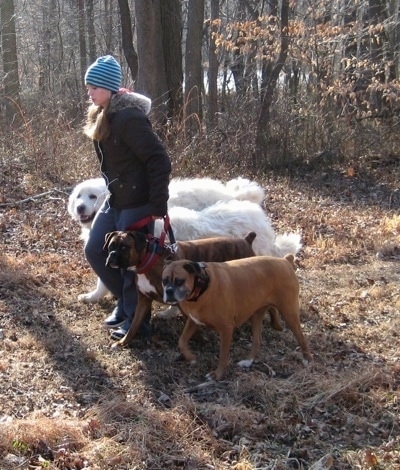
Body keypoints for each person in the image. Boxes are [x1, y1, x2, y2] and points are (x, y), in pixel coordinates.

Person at [83, 55, 171, 341]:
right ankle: (126, 302)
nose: (90, 92)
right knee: (96, 249)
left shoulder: (129, 118)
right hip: (116, 199)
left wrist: (158, 204)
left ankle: (139, 322)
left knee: (130, 262)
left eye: (94, 87)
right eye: (89, 87)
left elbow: (158, 159)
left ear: (109, 88)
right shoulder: (103, 114)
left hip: (139, 202)